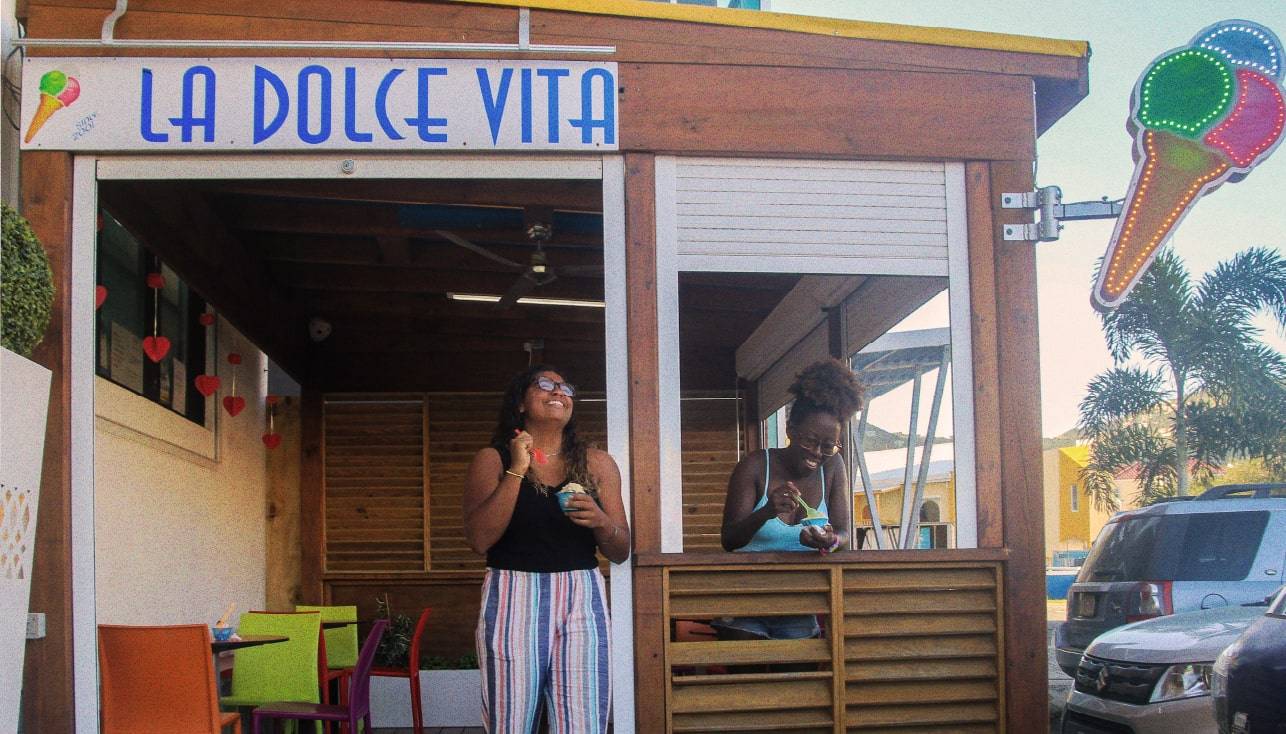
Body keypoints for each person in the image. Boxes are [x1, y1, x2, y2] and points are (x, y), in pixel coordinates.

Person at [462, 364, 630, 734]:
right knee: (511, 720)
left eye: (565, 387)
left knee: (583, 719)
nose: (558, 392)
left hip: (581, 594)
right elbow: (479, 539)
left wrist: (601, 520)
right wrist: (517, 469)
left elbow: (620, 549)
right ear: (520, 403)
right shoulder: (493, 460)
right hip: (512, 593)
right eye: (544, 384)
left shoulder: (597, 463)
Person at [715, 359, 863, 641]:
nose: (817, 453)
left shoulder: (834, 468)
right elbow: (729, 539)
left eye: (828, 446)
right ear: (791, 431)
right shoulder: (756, 466)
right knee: (748, 675)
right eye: (809, 441)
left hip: (800, 601)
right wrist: (766, 512)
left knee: (798, 678)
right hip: (744, 600)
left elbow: (844, 536)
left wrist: (829, 541)